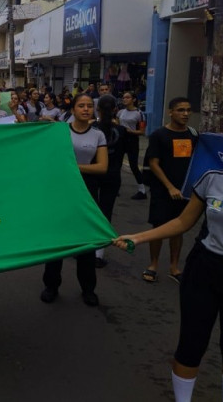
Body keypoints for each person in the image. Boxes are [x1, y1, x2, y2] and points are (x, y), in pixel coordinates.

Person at [113, 169, 223, 402]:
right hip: (204, 269)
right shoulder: (213, 177)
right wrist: (138, 237)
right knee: (191, 343)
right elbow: (183, 221)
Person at [40, 93, 108, 307]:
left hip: (86, 191)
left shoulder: (98, 135)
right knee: (57, 242)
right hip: (60, 191)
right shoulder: (59, 131)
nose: (86, 109)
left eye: (89, 106)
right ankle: (51, 285)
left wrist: (73, 167)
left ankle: (88, 289)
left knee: (85, 243)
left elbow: (102, 167)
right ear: (74, 109)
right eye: (81, 106)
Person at [142, 97, 198, 284]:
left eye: (188, 110)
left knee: (178, 229)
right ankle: (153, 265)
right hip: (163, 190)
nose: (185, 114)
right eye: (181, 110)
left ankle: (174, 267)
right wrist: (170, 187)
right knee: (158, 228)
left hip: (184, 191)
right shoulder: (159, 135)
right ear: (171, 112)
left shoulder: (192, 134)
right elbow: (154, 163)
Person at [92, 95, 126, 268]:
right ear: (115, 110)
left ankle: (84, 248)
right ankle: (99, 253)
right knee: (106, 212)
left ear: (97, 110)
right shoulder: (122, 131)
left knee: (89, 212)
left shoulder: (91, 129)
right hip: (113, 176)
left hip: (92, 175)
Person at [118, 91, 147, 199]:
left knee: (133, 166)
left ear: (133, 99)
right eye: (123, 97)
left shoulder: (139, 114)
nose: (124, 99)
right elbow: (117, 123)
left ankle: (142, 190)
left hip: (132, 141)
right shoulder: (120, 112)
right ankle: (116, 188)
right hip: (120, 140)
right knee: (117, 165)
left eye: (127, 97)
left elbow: (142, 131)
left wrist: (129, 131)